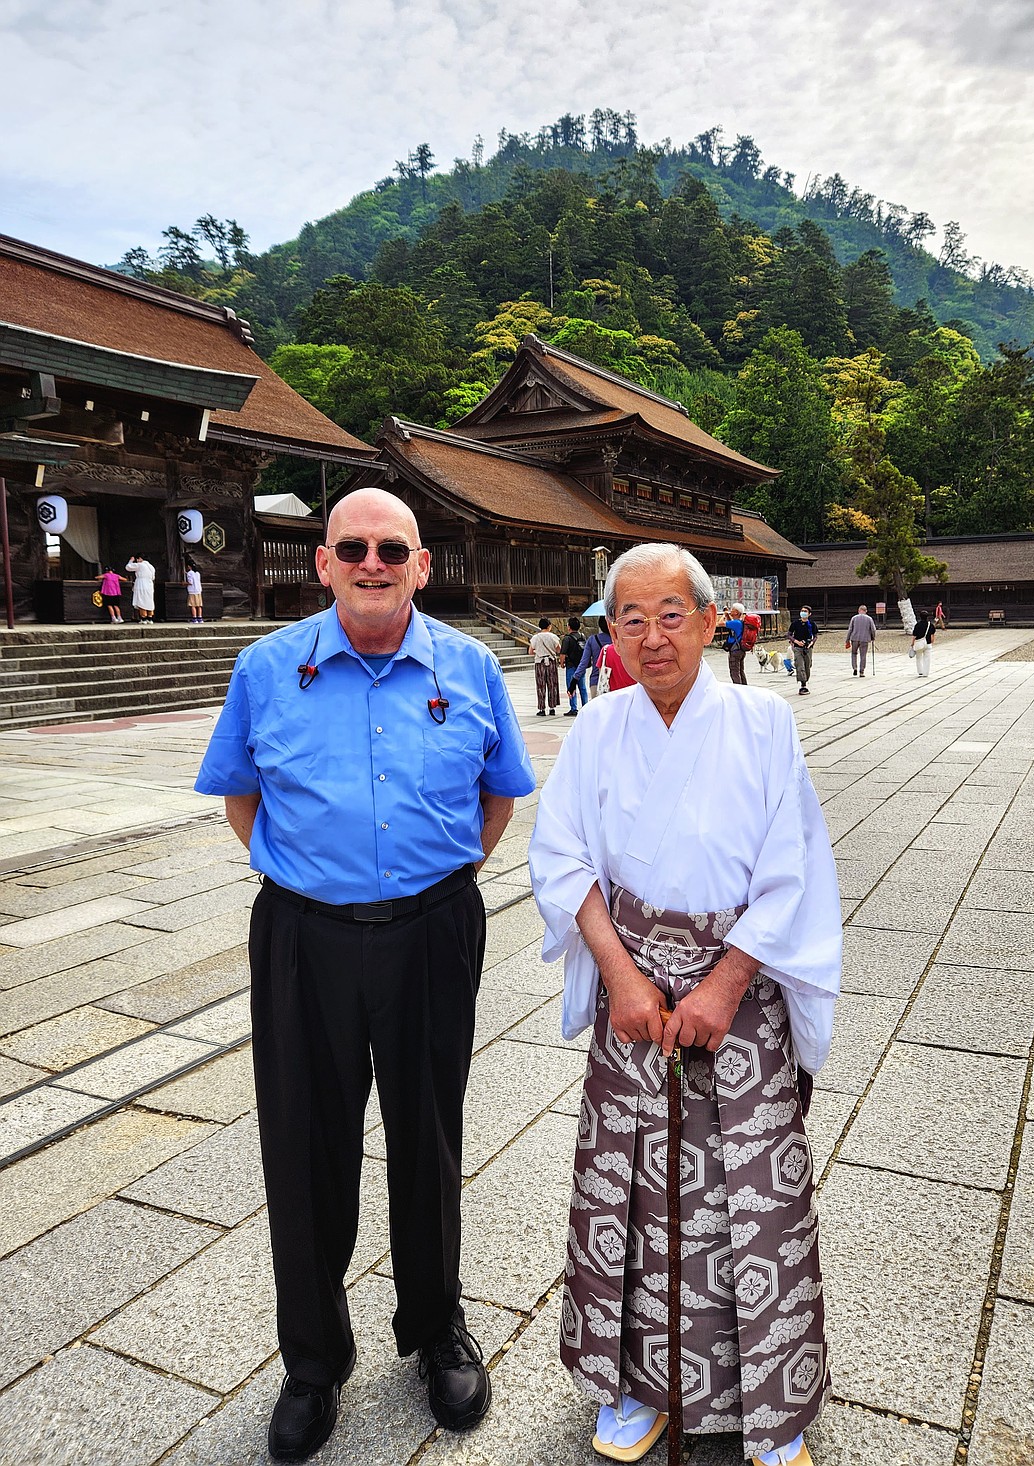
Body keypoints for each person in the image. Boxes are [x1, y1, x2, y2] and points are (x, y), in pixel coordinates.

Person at [195, 488, 536, 1461]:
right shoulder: (268, 667)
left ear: (422, 564)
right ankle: (313, 1358)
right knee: (305, 1142)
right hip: (304, 934)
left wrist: (438, 880)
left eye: (393, 546)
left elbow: (498, 798)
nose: (373, 559)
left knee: (428, 1131)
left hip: (433, 925)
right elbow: (240, 797)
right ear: (323, 561)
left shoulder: (470, 667)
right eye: (353, 545)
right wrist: (311, 880)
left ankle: (435, 1327)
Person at [528, 543, 841, 1466]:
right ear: (609, 632)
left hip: (735, 998)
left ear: (711, 621)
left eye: (672, 615)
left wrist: (725, 983)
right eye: (631, 618)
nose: (652, 636)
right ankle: (638, 1383)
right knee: (629, 1191)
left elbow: (792, 871)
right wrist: (621, 978)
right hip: (633, 1000)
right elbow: (561, 859)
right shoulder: (595, 730)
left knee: (752, 1196)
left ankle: (769, 1404)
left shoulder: (762, 724)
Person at [529, 617, 562, 716]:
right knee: (552, 684)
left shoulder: (535, 638)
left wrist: (538, 651)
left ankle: (541, 709)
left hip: (540, 662)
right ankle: (552, 708)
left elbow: (530, 651)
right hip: (551, 662)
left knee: (540, 685)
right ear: (549, 626)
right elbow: (559, 650)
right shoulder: (553, 637)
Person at [576, 616, 613, 699]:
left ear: (599, 625)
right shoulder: (618, 639)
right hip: (617, 680)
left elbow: (584, 662)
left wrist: (575, 678)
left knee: (598, 710)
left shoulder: (592, 640)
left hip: (596, 680)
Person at [787, 604, 818, 695]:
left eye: (805, 611)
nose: (803, 613)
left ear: (809, 614)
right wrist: (795, 641)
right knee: (799, 665)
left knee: (807, 665)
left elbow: (815, 636)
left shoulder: (812, 624)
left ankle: (805, 680)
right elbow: (789, 634)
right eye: (802, 611)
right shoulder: (795, 623)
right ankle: (803, 685)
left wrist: (811, 643)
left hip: (808, 648)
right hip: (797, 647)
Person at [562, 616, 587, 716]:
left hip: (571, 665)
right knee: (583, 687)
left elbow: (563, 653)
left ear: (569, 627)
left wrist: (562, 663)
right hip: (581, 665)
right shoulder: (582, 636)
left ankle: (573, 708)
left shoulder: (567, 639)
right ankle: (585, 706)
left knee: (571, 687)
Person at [845, 603, 876, 677]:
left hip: (854, 638)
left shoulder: (854, 618)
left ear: (859, 610)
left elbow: (850, 629)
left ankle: (854, 667)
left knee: (854, 653)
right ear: (866, 611)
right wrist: (872, 637)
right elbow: (873, 630)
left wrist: (847, 639)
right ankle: (861, 671)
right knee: (863, 655)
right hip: (865, 639)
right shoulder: (869, 619)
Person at [125, 554, 155, 621]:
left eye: (137, 559)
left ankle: (143, 617)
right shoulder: (151, 567)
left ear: (140, 558)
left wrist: (131, 561)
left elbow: (128, 567)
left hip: (141, 583)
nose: (137, 561)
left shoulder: (141, 565)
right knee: (149, 600)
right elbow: (153, 577)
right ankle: (150, 618)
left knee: (141, 600)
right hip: (149, 584)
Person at [724, 601, 747, 685]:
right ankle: (745, 689)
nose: (731, 611)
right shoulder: (739, 622)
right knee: (740, 672)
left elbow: (720, 623)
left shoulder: (735, 623)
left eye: (732, 610)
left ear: (736, 612)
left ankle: (738, 690)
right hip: (740, 650)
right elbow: (731, 624)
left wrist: (723, 615)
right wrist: (727, 615)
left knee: (734, 673)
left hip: (735, 651)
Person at [911, 608, 936, 678]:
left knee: (918, 657)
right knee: (927, 658)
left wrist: (912, 644)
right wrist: (931, 642)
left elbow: (914, 636)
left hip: (919, 643)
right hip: (927, 643)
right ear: (927, 617)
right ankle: (926, 673)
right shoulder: (930, 625)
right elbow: (932, 636)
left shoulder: (917, 625)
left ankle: (920, 671)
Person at [185, 555, 203, 624]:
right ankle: (200, 618)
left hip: (192, 591)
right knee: (199, 605)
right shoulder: (197, 573)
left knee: (193, 605)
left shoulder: (189, 573)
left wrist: (184, 583)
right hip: (198, 590)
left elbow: (190, 582)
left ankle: (194, 618)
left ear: (189, 566)